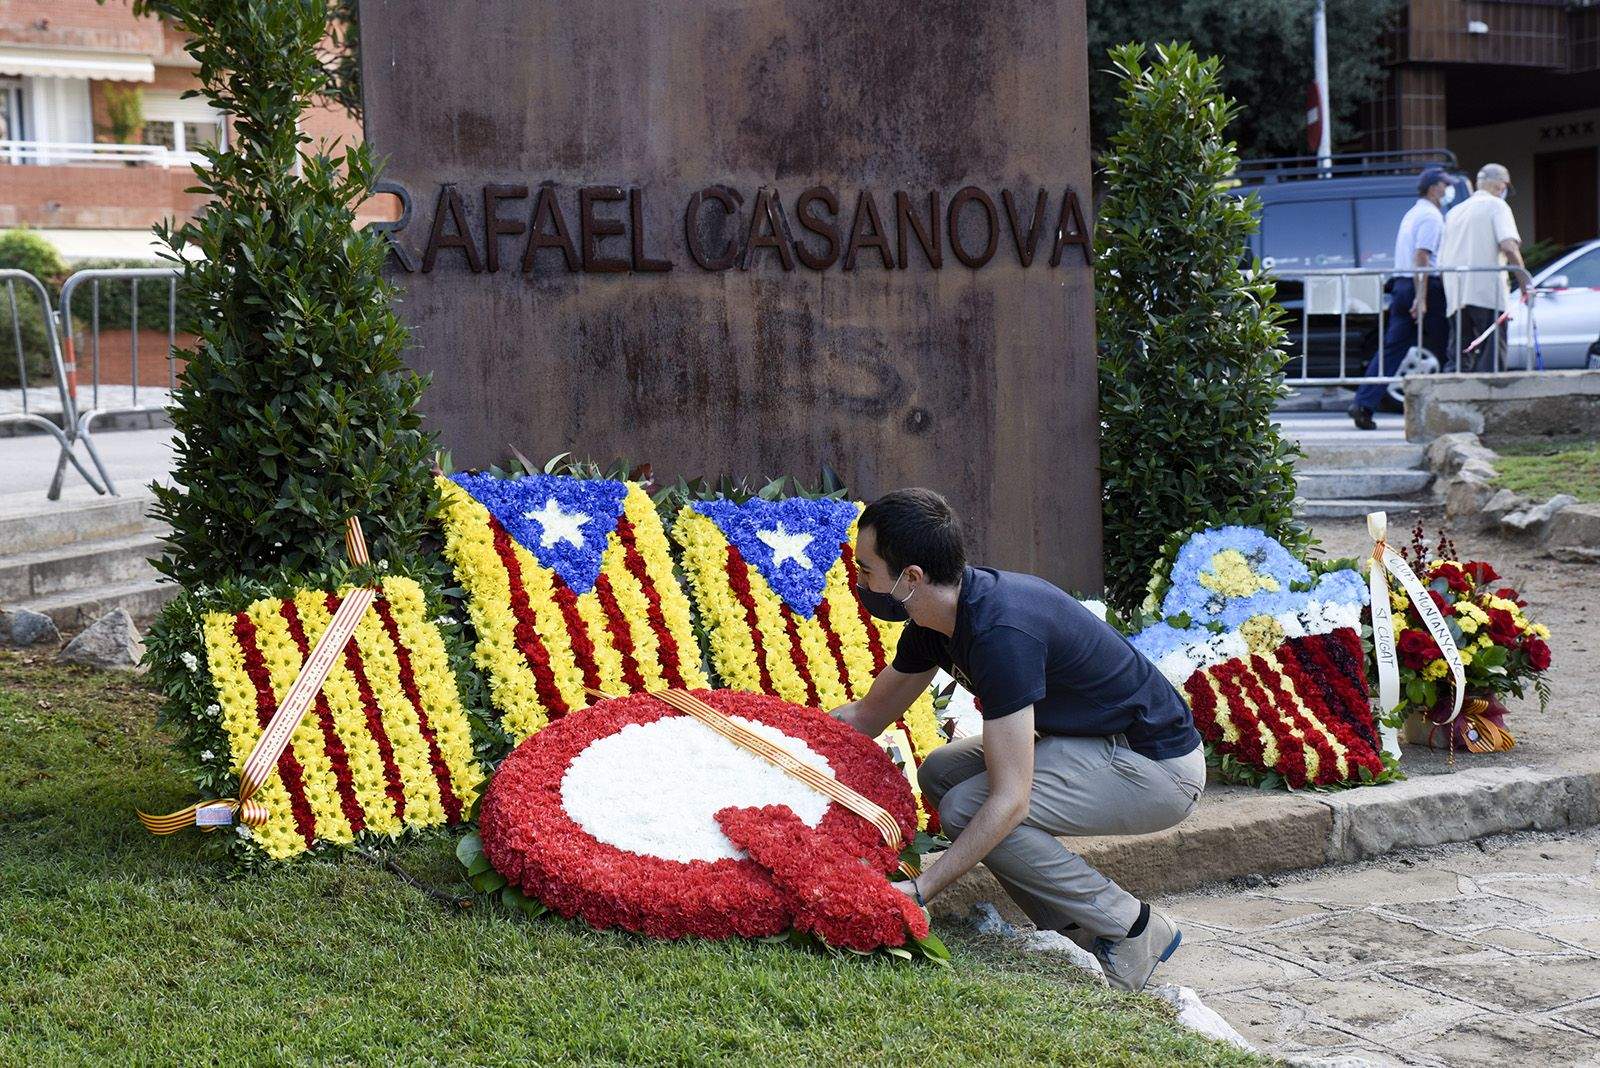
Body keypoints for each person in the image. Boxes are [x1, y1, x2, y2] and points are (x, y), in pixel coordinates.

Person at [831, 488, 1205, 993]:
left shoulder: (1000, 631)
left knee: (972, 806)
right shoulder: (935, 618)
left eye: (866, 569)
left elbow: (1011, 800)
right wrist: (780, 737)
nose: (860, 581)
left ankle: (1132, 927)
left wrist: (920, 890)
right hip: (1087, 743)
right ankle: (1074, 931)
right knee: (941, 773)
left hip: (1157, 768)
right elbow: (869, 714)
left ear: (911, 577)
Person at [1347, 167, 1453, 430]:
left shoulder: (1412, 213)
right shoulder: (1431, 216)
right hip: (1424, 285)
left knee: (1392, 349)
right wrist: (1422, 296)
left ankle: (1363, 403)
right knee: (1446, 345)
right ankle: (1455, 406)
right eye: (1444, 185)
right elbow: (1422, 257)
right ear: (1433, 188)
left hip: (1402, 285)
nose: (1447, 189)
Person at [1440, 163, 1530, 373]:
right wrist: (1525, 280)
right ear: (1501, 185)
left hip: (1456, 293)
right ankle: (1491, 396)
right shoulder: (1497, 206)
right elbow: (1509, 246)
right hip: (1486, 291)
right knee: (1492, 353)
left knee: (1460, 354)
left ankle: (1455, 397)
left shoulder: (1454, 212)